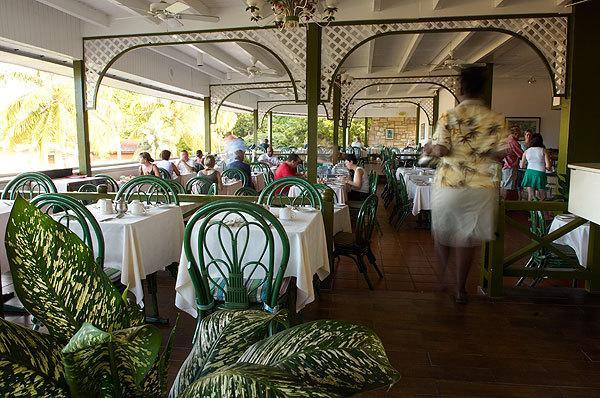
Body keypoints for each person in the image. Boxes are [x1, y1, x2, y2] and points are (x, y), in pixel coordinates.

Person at [423, 66, 509, 304]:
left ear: (460, 88)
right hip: (481, 187)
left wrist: (429, 148)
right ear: (482, 89)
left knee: (442, 231)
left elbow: (441, 150)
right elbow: (500, 153)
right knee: (468, 238)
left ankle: (441, 278)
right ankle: (460, 289)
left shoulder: (449, 117)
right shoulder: (496, 119)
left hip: (450, 183)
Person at [520, 133, 552, 201]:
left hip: (529, 173)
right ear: (541, 141)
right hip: (540, 174)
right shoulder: (543, 150)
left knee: (531, 196)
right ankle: (540, 210)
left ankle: (531, 211)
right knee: (542, 197)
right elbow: (548, 166)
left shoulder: (526, 151)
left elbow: (521, 166)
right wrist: (545, 167)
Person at [501, 126, 524, 199]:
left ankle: (505, 205)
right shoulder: (513, 142)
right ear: (515, 133)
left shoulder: (506, 140)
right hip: (511, 165)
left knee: (505, 185)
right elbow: (521, 154)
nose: (519, 136)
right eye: (519, 134)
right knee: (509, 187)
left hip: (506, 165)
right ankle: (508, 206)